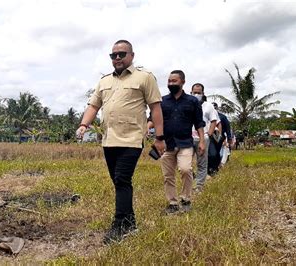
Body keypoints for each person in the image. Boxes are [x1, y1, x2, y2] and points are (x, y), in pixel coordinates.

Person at [76, 40, 165, 244]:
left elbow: (156, 109)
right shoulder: (104, 81)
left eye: (121, 54)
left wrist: (160, 138)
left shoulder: (145, 77)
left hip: (131, 139)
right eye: (113, 55)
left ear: (131, 55)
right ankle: (130, 221)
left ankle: (120, 225)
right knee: (119, 182)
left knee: (122, 179)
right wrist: (84, 125)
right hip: (109, 140)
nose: (117, 58)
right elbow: (93, 106)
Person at [148, 70, 205, 214]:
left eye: (174, 81)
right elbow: (152, 119)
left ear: (183, 82)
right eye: (169, 81)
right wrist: (146, 128)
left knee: (186, 170)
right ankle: (172, 202)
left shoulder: (192, 101)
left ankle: (186, 199)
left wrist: (202, 141)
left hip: (185, 143)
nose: (171, 84)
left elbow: (199, 123)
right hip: (167, 144)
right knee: (168, 175)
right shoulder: (162, 101)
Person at [191, 83, 218, 192]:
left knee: (202, 163)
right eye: (194, 92)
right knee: (184, 164)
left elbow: (213, 121)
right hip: (188, 138)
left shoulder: (208, 106)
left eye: (199, 92)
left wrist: (209, 134)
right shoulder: (187, 103)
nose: (196, 94)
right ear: (191, 92)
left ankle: (198, 187)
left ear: (203, 93)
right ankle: (191, 181)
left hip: (203, 138)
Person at [212, 102, 233, 171]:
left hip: (219, 136)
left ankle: (217, 165)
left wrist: (229, 138)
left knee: (219, 153)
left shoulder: (222, 117)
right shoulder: (207, 115)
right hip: (209, 136)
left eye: (215, 108)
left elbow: (227, 128)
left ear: (217, 108)